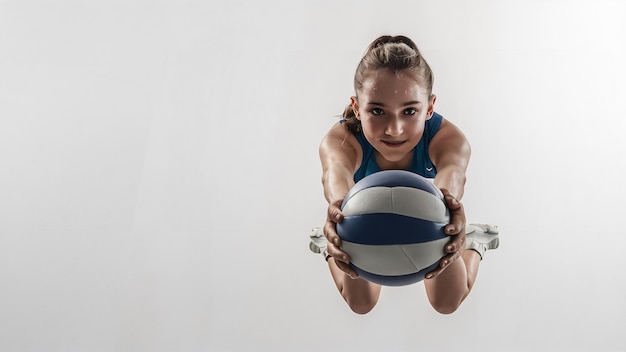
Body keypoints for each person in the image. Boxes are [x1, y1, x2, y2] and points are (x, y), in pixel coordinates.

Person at [309, 35, 499, 315]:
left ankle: (475, 243)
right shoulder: (340, 141)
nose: (394, 129)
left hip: (425, 210)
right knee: (361, 303)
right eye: (377, 111)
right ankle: (327, 246)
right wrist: (337, 218)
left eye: (410, 111)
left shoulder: (449, 140)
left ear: (430, 107)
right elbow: (335, 182)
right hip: (362, 209)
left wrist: (451, 213)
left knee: (446, 301)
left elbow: (452, 182)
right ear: (357, 108)